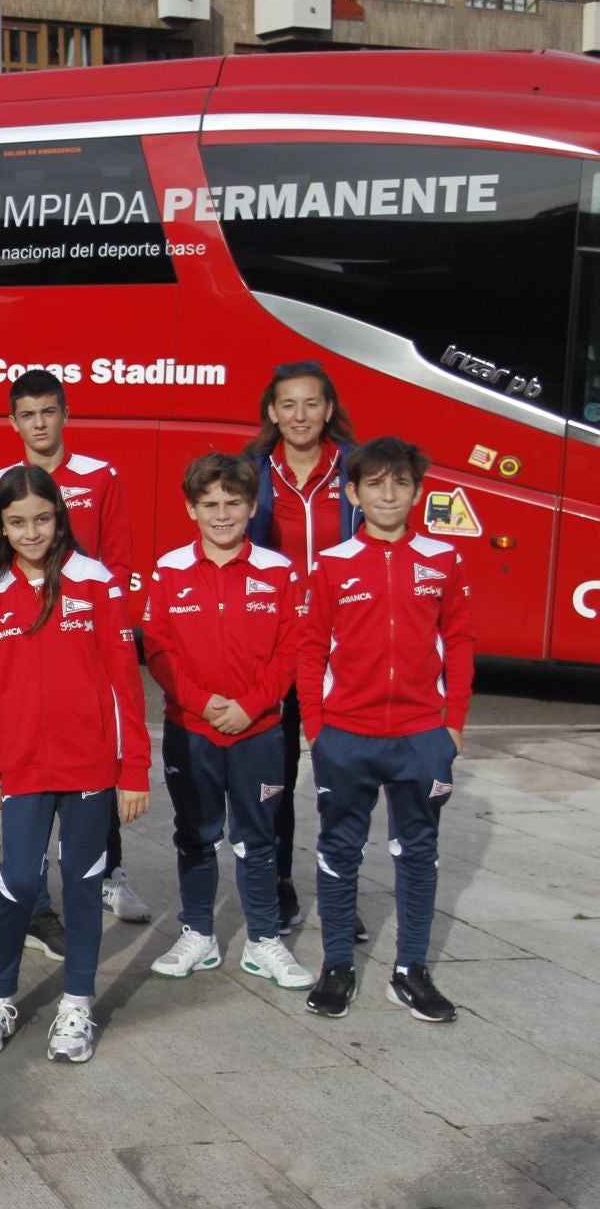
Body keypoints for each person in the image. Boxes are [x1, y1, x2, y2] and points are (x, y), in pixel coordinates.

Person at [0, 467, 149, 1065]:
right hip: (20, 771)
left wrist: (134, 769)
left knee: (84, 882)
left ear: (59, 517)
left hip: (89, 768)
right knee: (16, 882)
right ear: (1, 525)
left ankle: (77, 1003)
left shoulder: (95, 582)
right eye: (17, 521)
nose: (32, 531)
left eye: (42, 518)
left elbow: (126, 685)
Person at [297, 437, 474, 1023]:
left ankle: (411, 971)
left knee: (418, 853)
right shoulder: (333, 563)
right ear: (354, 494)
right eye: (375, 483)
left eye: (400, 482)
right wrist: (317, 728)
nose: (388, 494)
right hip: (346, 736)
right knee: (339, 851)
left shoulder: (444, 559)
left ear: (417, 492)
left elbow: (461, 643)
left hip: (422, 737)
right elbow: (310, 648)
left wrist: (452, 726)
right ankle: (337, 966)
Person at [141, 454, 313, 990]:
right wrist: (200, 703)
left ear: (252, 506)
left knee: (258, 838)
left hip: (258, 731)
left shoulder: (279, 571)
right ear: (190, 509)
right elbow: (158, 649)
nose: (221, 515)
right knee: (195, 835)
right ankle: (198, 934)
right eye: (210, 504)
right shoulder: (169, 569)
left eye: (233, 503)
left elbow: (293, 648)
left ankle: (263, 940)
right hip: (191, 730)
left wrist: (252, 705)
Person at [0, 368, 146, 929]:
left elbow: (119, 561)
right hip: (26, 639)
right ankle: (29, 895)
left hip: (86, 633)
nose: (39, 424)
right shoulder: (0, 482)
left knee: (95, 757)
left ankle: (109, 874)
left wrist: (103, 624)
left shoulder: (101, 476)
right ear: (14, 422)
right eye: (27, 415)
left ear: (64, 414)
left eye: (48, 412)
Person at [246, 361, 362, 936]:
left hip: (345, 646)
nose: (299, 415)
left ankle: (342, 891)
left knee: (344, 772)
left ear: (328, 409)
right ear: (272, 411)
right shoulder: (252, 472)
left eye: (311, 403)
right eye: (288, 404)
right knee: (279, 771)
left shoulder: (358, 469)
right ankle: (281, 882)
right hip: (279, 643)